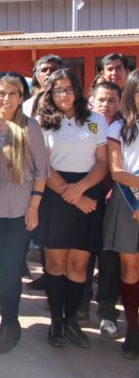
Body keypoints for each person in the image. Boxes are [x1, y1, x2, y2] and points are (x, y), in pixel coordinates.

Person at [37, 68, 108, 348]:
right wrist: (73, 195)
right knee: (55, 263)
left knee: (79, 265)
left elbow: (102, 162)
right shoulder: (41, 122)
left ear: (77, 91)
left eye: (68, 89)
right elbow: (43, 165)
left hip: (88, 191)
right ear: (50, 93)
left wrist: (81, 190)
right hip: (55, 193)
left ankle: (71, 321)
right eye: (57, 90)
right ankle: (56, 320)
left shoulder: (96, 120)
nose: (64, 95)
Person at [0, 74, 48, 353]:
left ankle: (11, 323)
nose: (6, 98)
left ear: (21, 97)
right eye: (1, 93)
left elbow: (41, 172)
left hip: (21, 208)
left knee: (11, 269)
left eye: (12, 93)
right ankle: (6, 322)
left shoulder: (30, 127)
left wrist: (34, 207)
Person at [104, 68, 139, 358]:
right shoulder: (118, 128)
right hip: (128, 203)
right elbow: (116, 170)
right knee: (130, 269)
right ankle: (134, 329)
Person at [85, 80, 123, 338]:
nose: (106, 105)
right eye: (101, 100)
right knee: (83, 256)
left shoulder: (125, 128)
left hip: (117, 200)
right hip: (85, 197)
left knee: (109, 260)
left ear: (120, 102)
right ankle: (79, 304)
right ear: (92, 101)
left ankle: (107, 313)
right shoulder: (83, 124)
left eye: (112, 100)